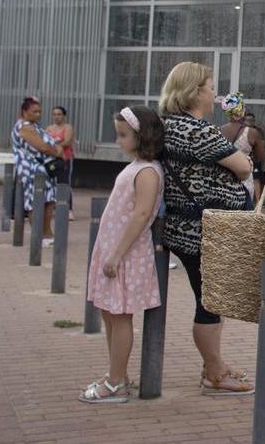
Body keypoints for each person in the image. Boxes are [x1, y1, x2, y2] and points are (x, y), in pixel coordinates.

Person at [158, 62, 256, 395]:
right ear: (195, 91)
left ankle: (214, 366)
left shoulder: (174, 126)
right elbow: (243, 166)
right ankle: (213, 373)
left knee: (211, 298)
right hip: (200, 231)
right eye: (211, 86)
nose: (216, 94)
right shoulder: (193, 129)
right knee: (210, 301)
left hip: (193, 227)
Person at [79, 106, 165, 403]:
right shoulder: (137, 167)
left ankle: (116, 383)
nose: (118, 141)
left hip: (126, 254)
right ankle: (118, 373)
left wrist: (116, 254)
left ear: (142, 136)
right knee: (110, 312)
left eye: (123, 135)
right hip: (116, 251)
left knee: (120, 314)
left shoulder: (147, 172)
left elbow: (141, 214)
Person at [12, 97, 64, 246]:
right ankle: (40, 235)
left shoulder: (35, 126)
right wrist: (57, 152)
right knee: (36, 201)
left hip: (45, 170)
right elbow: (42, 146)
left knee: (49, 200)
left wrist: (55, 149)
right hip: (32, 169)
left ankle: (47, 233)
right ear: (24, 111)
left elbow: (51, 144)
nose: (38, 114)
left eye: (40, 111)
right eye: (34, 111)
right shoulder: (24, 127)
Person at [217, 93, 265, 198]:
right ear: (242, 110)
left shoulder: (218, 131)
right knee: (242, 213)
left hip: (221, 181)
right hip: (244, 181)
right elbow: (260, 157)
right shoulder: (252, 133)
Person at [46, 106, 76, 185]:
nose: (56, 117)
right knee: (51, 181)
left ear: (64, 116)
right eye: (54, 114)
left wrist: (53, 145)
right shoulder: (49, 128)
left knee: (63, 183)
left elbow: (67, 142)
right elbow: (44, 142)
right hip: (51, 160)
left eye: (59, 114)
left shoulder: (68, 127)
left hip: (64, 159)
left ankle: (66, 197)